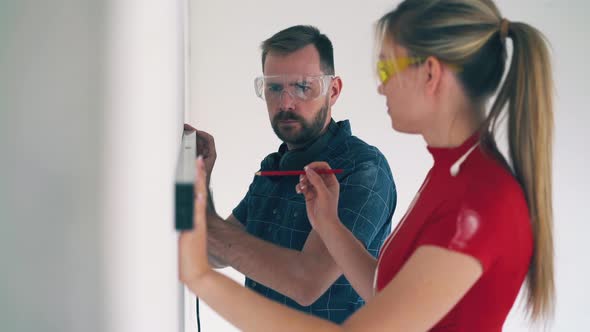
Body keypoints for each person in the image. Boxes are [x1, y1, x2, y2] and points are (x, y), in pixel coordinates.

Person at [179, 0, 555, 330]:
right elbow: (386, 292)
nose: (380, 87)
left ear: (430, 74)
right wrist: (329, 224)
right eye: (275, 87)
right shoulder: (451, 174)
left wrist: (199, 278)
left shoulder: (478, 200)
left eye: (388, 71)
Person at [188, 25, 396, 323]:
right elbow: (214, 253)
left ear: (333, 91)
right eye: (274, 87)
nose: (285, 102)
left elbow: (306, 282)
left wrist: (204, 222)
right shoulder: (273, 168)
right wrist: (200, 183)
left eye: (302, 87)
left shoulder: (363, 169)